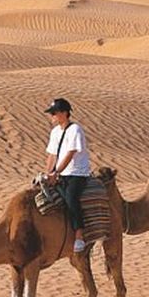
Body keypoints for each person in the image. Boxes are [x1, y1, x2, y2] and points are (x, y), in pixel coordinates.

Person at [44, 98, 92, 252]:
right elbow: (52, 155)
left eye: (54, 113)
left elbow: (71, 153)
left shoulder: (75, 130)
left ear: (64, 113)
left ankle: (79, 235)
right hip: (60, 173)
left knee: (71, 197)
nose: (52, 116)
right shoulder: (55, 132)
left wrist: (56, 172)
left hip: (76, 173)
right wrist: (48, 174)